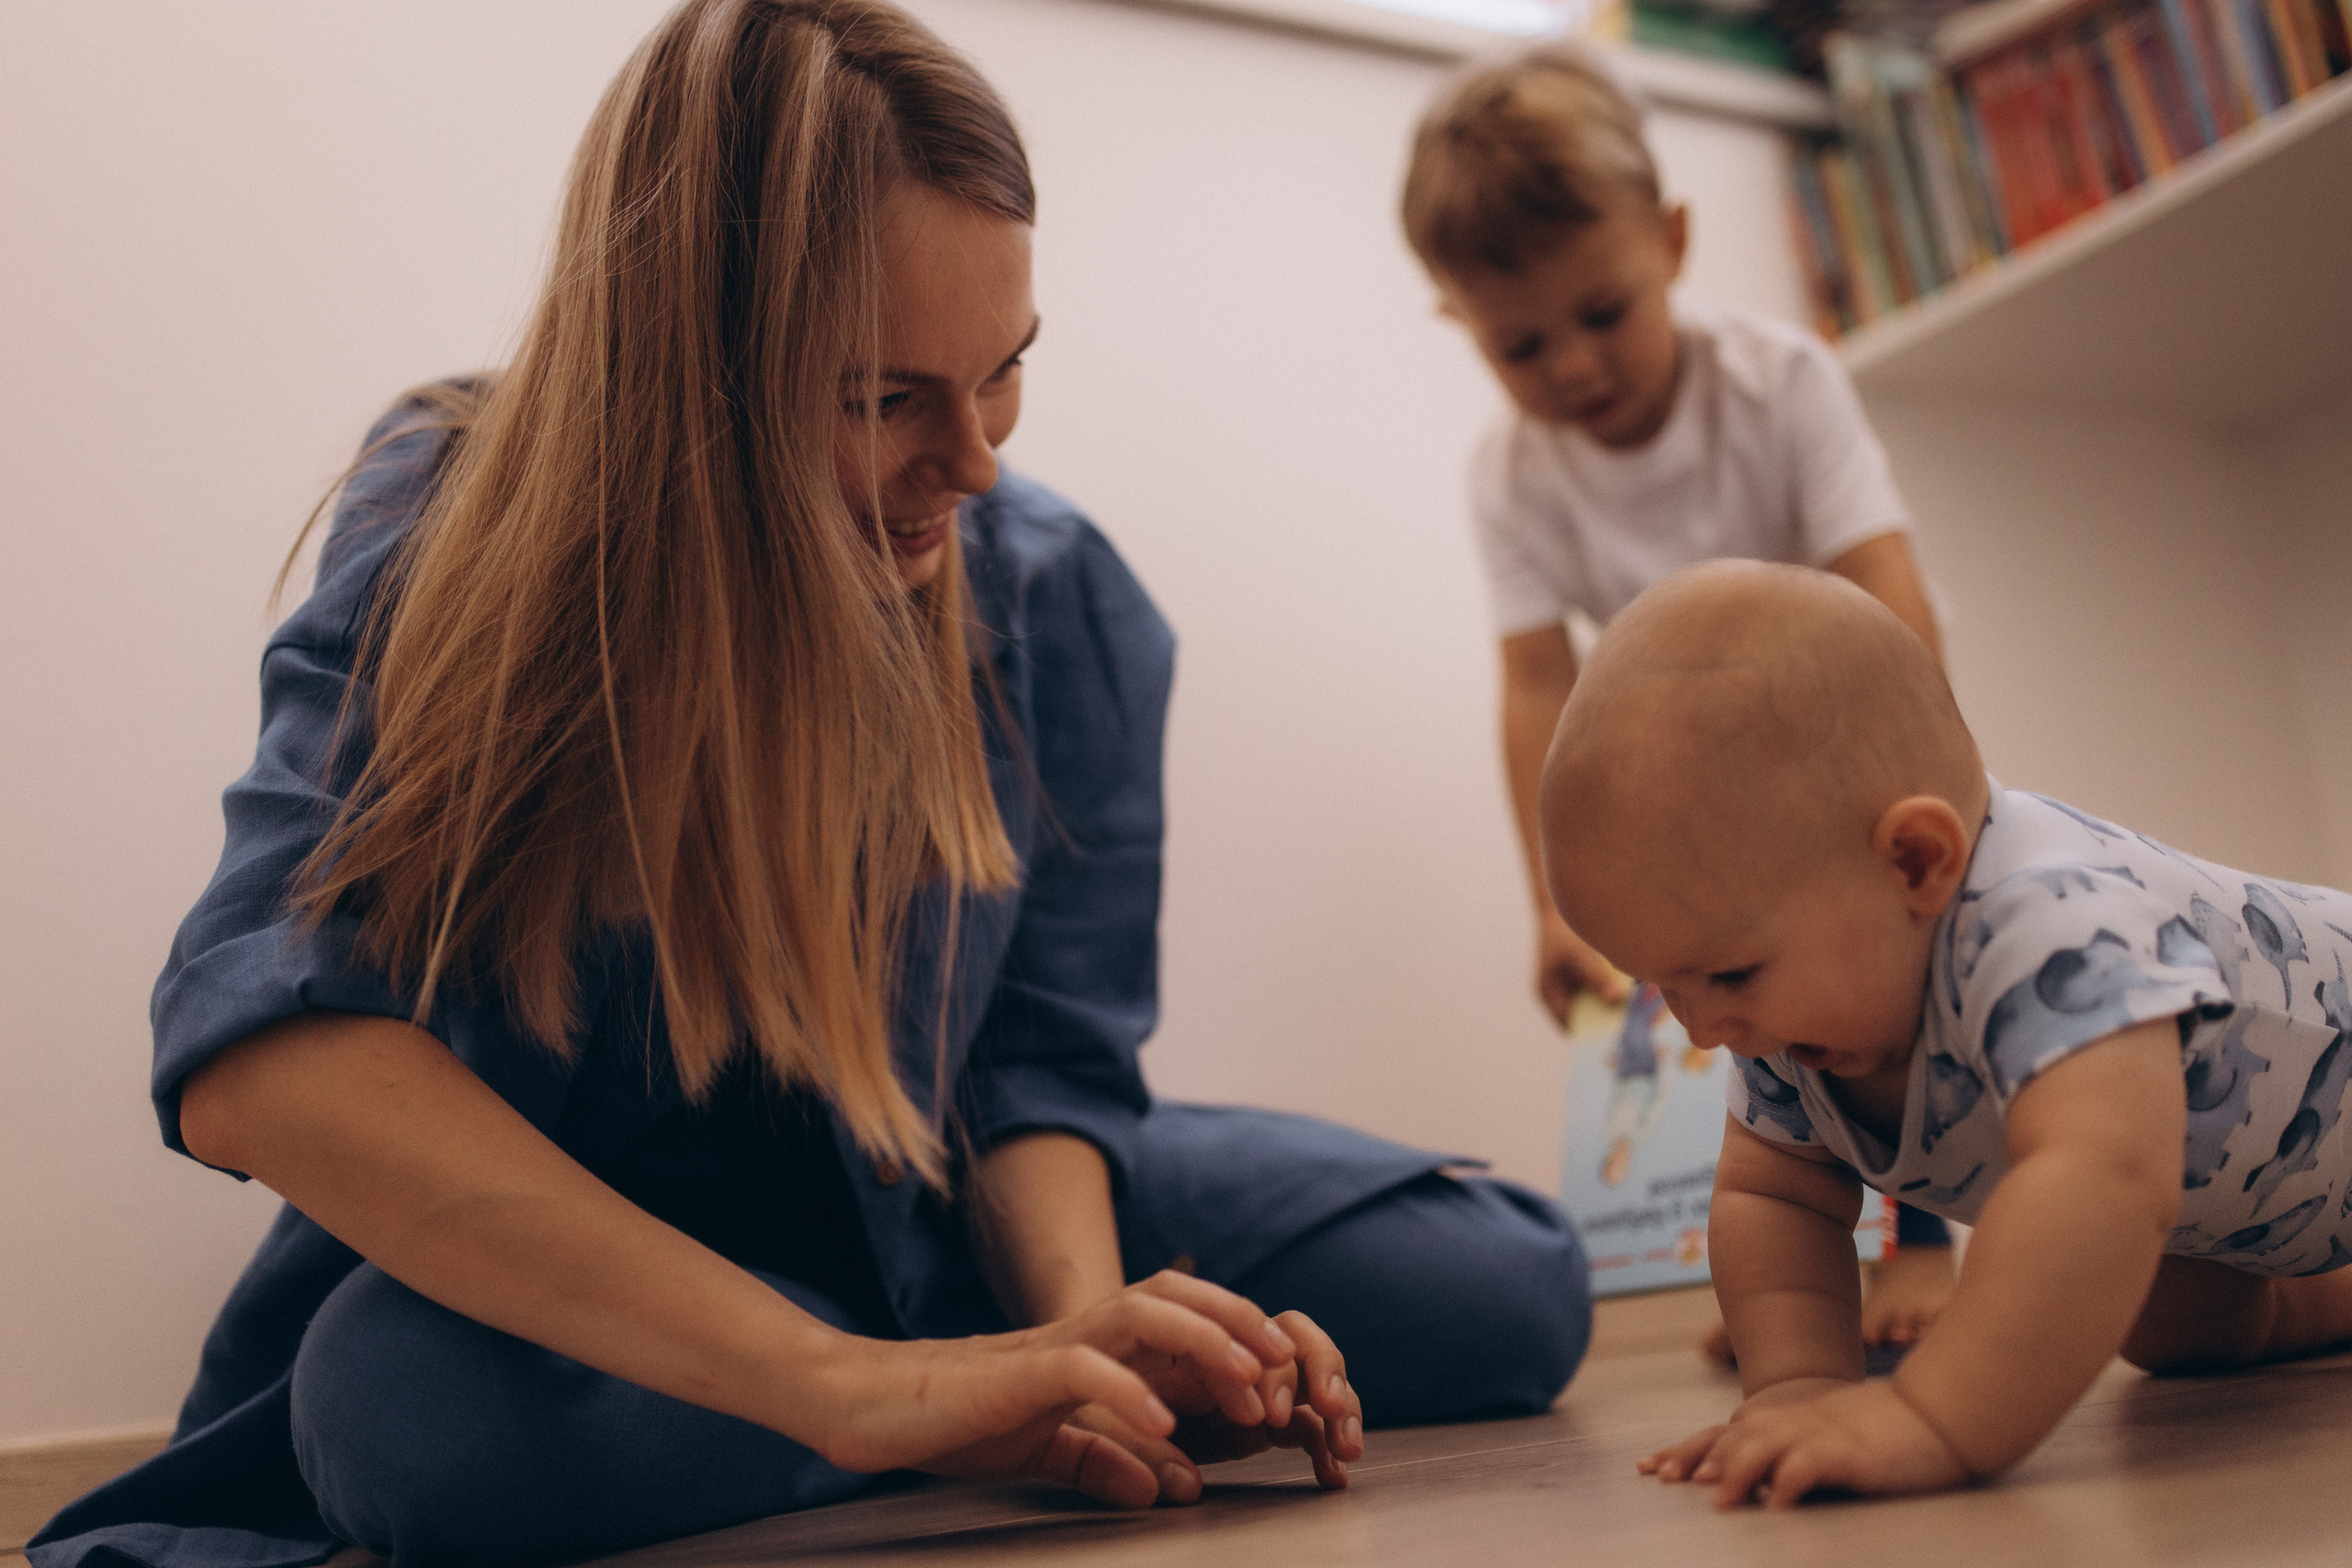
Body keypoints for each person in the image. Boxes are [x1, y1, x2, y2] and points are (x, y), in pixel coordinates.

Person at [28, 6, 1590, 1567]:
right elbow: (265, 1057)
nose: (973, 463)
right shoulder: (458, 520)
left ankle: (924, 1390)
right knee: (400, 1412)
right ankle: (878, 1395)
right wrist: (857, 1390)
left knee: (1502, 1278)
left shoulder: (1056, 589)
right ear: (685, 370)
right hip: (614, 1247)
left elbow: (1043, 1068)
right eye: (883, 398)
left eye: (1006, 371)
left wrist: (1085, 1342)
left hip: (935, 1204)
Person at [1541, 560, 2352, 1507]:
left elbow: (2102, 1173)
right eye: (1664, 986)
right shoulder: (1782, 1029)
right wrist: (1800, 1389)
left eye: (1729, 975)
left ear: (1915, 862)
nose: (1706, 1027)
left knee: (2100, 1224)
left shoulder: (2050, 925)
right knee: (2170, 1324)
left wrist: (1928, 1418)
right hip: (2258, 1213)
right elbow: (1773, 1196)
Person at [1397, 40, 1955, 1356]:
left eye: (1603, 312)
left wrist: (1914, 770)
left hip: (1852, 748)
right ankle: (1799, 1286)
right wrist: (1549, 901)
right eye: (1521, 343)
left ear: (1674, 241)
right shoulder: (1512, 476)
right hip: (1699, 795)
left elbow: (1883, 579)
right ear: (1459, 323)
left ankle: (1926, 1244)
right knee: (1756, 1033)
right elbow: (1538, 682)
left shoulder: (1778, 380)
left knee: (1899, 1004)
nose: (1572, 366)